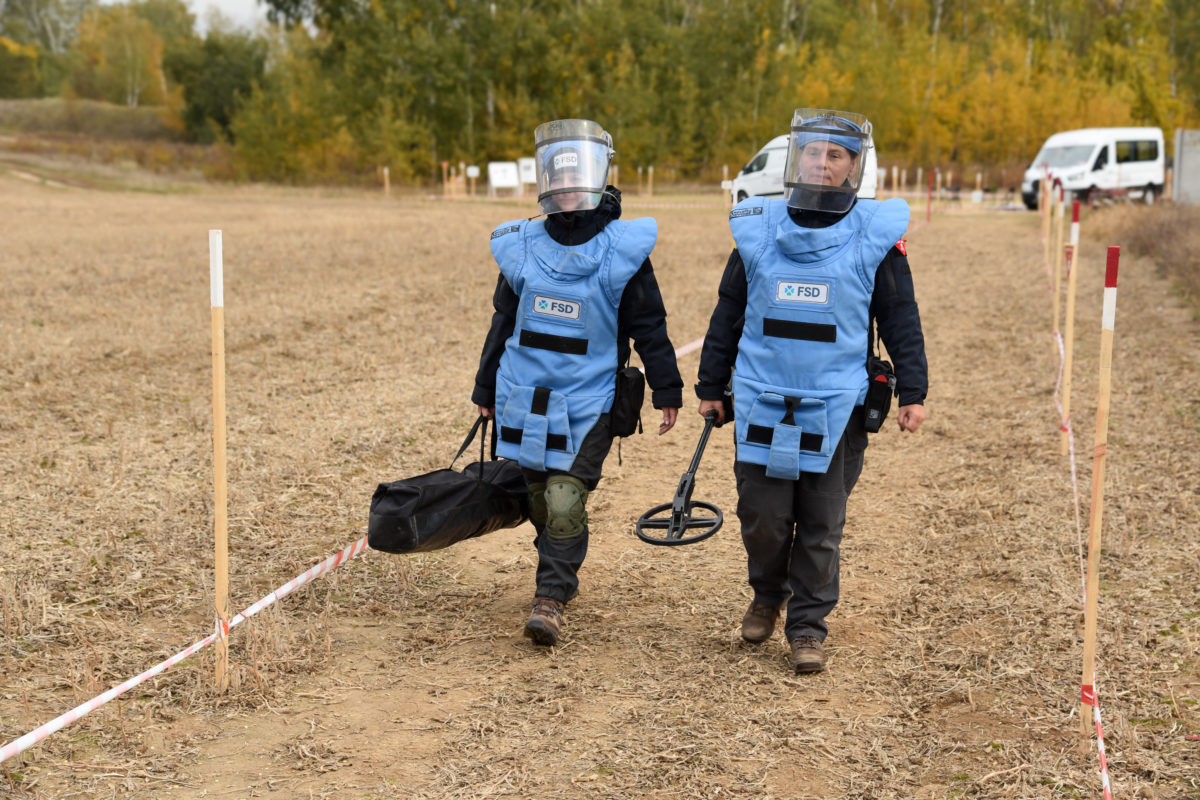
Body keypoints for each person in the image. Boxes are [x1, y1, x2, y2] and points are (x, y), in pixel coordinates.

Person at [695, 109, 928, 674]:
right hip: (760, 400)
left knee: (822, 523)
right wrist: (709, 384)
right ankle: (767, 594)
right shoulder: (758, 229)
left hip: (837, 405)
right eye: (813, 152)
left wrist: (914, 389)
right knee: (764, 516)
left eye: (837, 155)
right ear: (796, 157)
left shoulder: (875, 238)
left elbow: (900, 317)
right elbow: (729, 312)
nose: (822, 164)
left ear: (855, 166)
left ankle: (807, 627)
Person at [473, 118, 683, 647]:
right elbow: (503, 320)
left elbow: (649, 327)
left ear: (596, 177)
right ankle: (562, 566)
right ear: (547, 181)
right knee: (541, 497)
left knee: (565, 497)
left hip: (590, 399)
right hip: (524, 394)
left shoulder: (623, 250)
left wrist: (668, 391)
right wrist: (485, 392)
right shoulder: (522, 246)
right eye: (558, 179)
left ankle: (550, 598)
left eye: (576, 178)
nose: (566, 189)